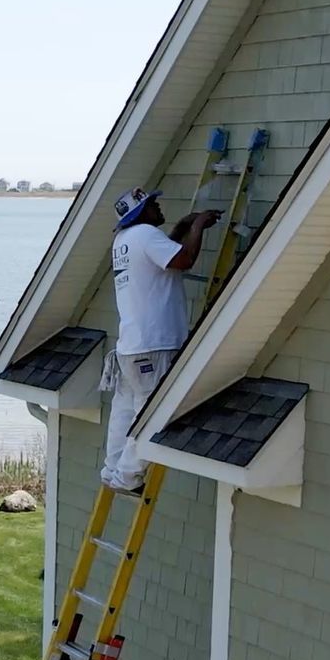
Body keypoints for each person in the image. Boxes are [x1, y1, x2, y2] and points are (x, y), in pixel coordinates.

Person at [99, 187, 219, 493]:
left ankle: (113, 470)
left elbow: (164, 255)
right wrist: (197, 227)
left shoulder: (125, 240)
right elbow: (184, 259)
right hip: (155, 345)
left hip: (131, 346)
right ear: (142, 213)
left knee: (125, 410)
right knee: (150, 412)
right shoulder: (145, 235)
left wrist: (182, 228)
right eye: (153, 204)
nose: (159, 206)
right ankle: (128, 477)